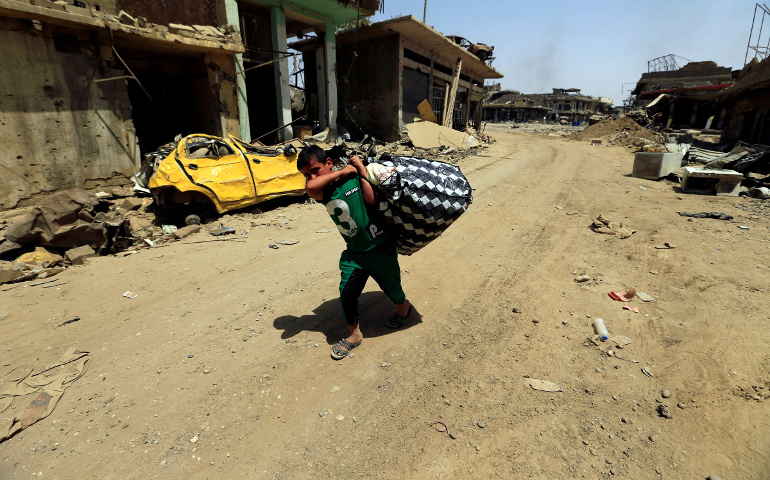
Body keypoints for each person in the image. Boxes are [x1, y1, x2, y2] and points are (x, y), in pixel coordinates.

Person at [297, 145, 411, 360]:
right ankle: (354, 334)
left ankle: (403, 308)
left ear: (329, 162)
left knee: (393, 288)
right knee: (347, 292)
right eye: (306, 174)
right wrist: (341, 172)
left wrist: (359, 170)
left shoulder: (352, 179)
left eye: (316, 169)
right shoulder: (321, 191)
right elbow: (310, 187)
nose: (311, 176)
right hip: (355, 254)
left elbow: (370, 199)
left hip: (380, 248)